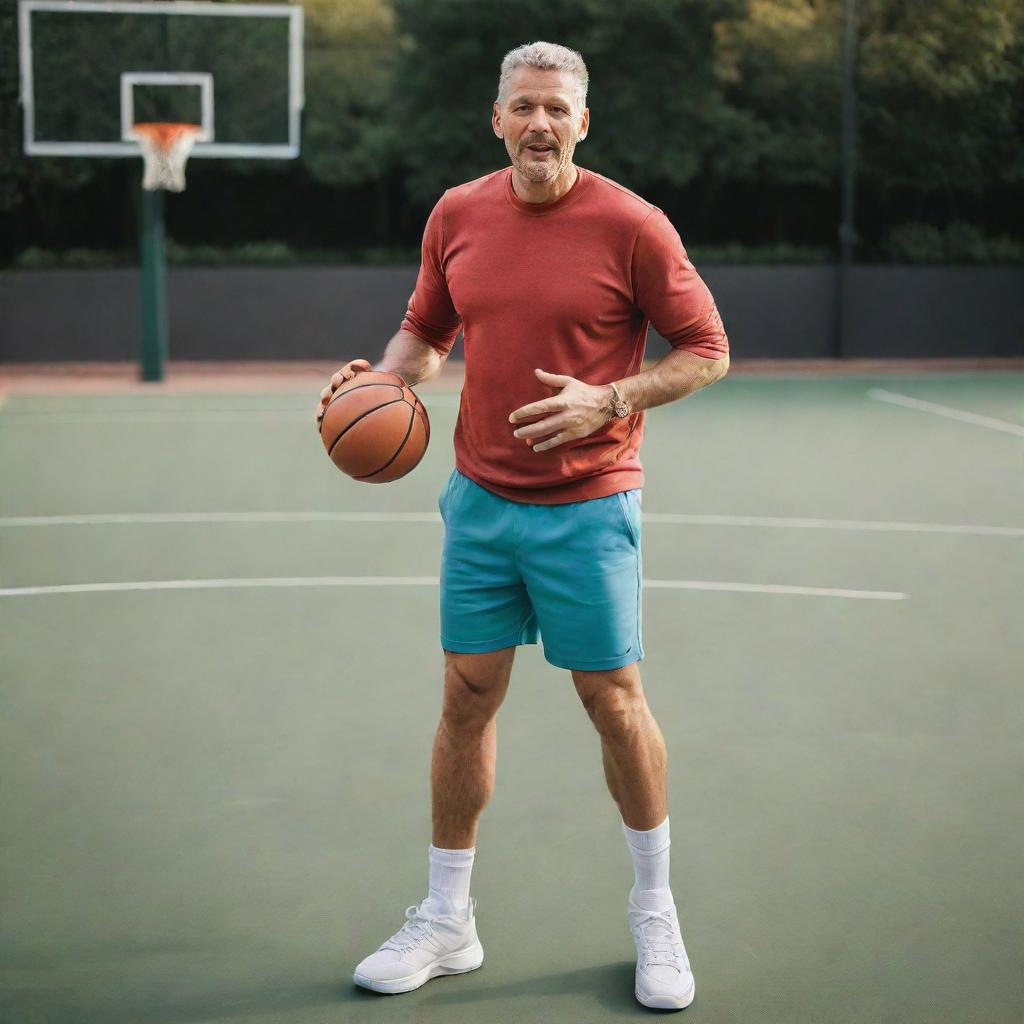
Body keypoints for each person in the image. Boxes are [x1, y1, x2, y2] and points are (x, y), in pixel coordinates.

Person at [316, 40, 729, 1012]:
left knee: (612, 700)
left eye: (556, 108)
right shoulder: (458, 213)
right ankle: (447, 917)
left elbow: (707, 349)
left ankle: (654, 910)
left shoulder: (632, 224)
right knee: (465, 698)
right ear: (496, 119)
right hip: (480, 505)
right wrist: (382, 381)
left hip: (589, 507)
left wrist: (612, 397)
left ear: (582, 122)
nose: (539, 123)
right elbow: (424, 332)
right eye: (522, 107)